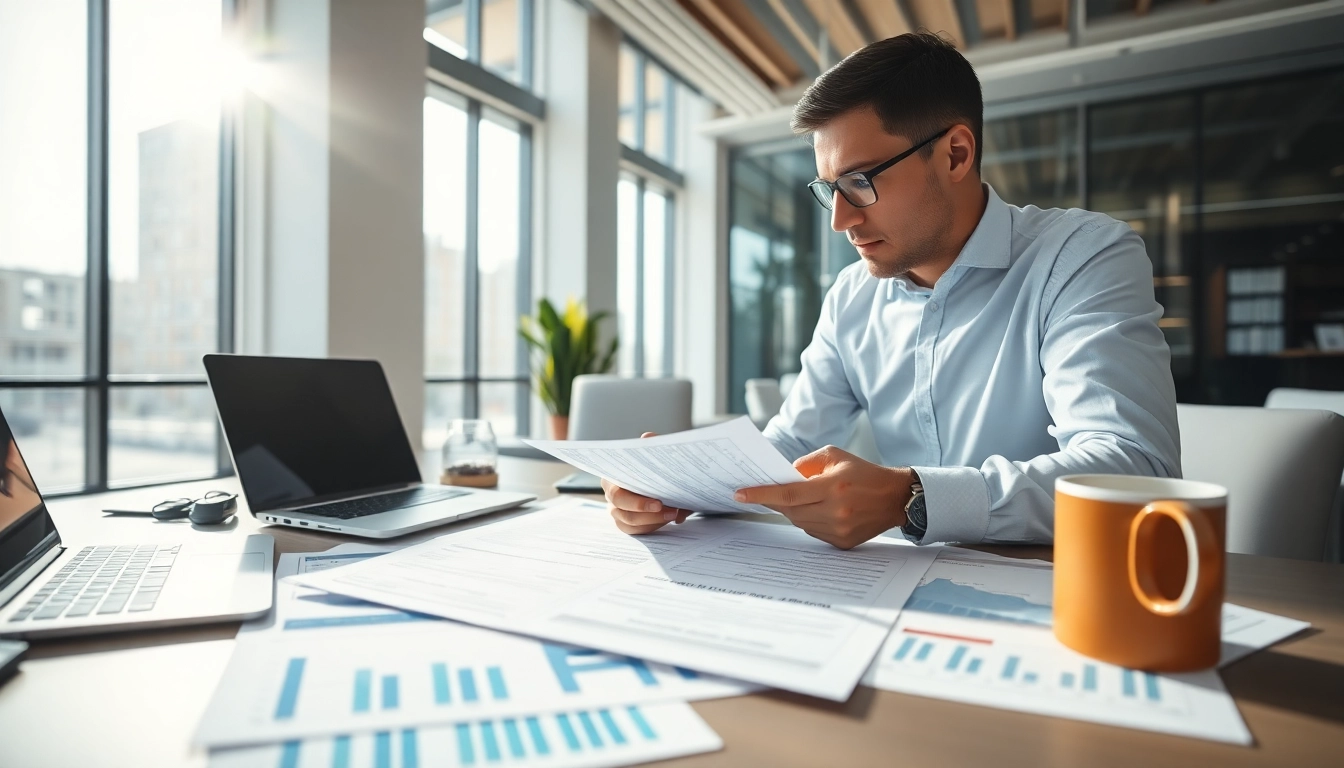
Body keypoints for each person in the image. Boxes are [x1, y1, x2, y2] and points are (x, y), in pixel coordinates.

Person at [604, 32, 1180, 549]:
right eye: (830, 188)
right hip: (892, 595)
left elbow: (1132, 471)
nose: (840, 221)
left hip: (1058, 595)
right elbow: (791, 442)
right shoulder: (853, 296)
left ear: (956, 153)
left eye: (860, 180)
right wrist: (678, 481)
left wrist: (912, 497)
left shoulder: (1080, 257)